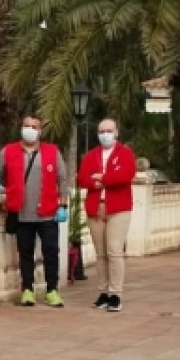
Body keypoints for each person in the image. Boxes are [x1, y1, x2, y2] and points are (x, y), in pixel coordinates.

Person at [0, 115, 69, 307]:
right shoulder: (8, 151)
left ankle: (52, 290)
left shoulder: (52, 151)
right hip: (21, 212)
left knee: (50, 252)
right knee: (25, 254)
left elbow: (63, 179)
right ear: (21, 128)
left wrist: (63, 205)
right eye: (26, 126)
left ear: (40, 131)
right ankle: (27, 290)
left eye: (34, 127)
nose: (30, 129)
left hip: (48, 212)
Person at [77, 118, 136, 312]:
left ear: (116, 132)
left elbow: (125, 175)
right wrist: (96, 183)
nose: (105, 134)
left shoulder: (125, 153)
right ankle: (103, 291)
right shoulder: (91, 155)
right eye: (102, 131)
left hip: (118, 209)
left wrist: (102, 177)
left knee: (114, 250)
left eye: (109, 131)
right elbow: (82, 177)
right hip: (96, 207)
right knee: (100, 253)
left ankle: (115, 293)